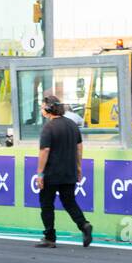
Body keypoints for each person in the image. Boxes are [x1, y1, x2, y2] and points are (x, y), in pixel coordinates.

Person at [33, 95, 93, 249]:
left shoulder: (49, 127)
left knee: (46, 204)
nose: (42, 110)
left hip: (52, 173)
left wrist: (40, 173)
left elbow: (44, 150)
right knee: (69, 202)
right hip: (69, 171)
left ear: (48, 109)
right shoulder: (72, 125)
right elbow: (79, 149)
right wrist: (79, 168)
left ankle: (50, 237)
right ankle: (84, 224)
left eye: (42, 107)